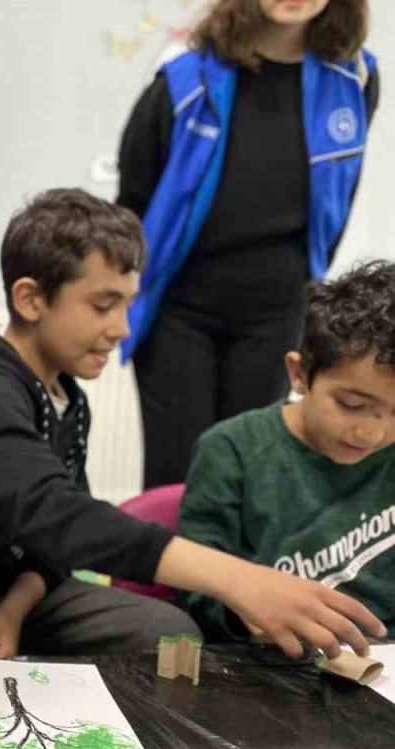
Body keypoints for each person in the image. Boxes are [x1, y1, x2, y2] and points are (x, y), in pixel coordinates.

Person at [0, 189, 385, 663]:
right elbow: (58, 518)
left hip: (23, 596)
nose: (123, 329)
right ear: (30, 299)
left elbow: (53, 547)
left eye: (129, 305)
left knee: (168, 633)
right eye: (103, 305)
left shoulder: (69, 400)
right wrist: (238, 580)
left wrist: (14, 610)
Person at [117, 0, 379, 487]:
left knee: (248, 483)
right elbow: (131, 208)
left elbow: (337, 202)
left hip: (277, 315)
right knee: (178, 484)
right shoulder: (182, 80)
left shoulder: (356, 80)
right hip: (178, 315)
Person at [180, 260, 395, 643]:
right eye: (350, 404)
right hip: (265, 664)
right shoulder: (231, 450)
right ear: (299, 373)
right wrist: (247, 612)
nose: (372, 432)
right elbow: (198, 587)